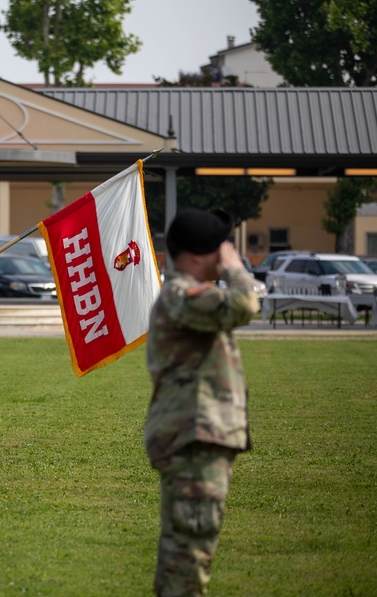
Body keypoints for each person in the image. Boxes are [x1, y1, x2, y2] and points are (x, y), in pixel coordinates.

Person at [144, 208, 260, 597]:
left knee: (186, 552)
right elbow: (244, 305)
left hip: (196, 438)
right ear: (199, 253)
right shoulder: (183, 295)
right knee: (189, 558)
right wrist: (234, 268)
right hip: (193, 440)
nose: (227, 250)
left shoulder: (188, 295)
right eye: (221, 246)